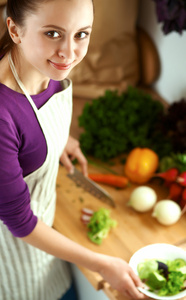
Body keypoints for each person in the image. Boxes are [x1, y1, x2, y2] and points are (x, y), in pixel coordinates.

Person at [0, 0, 147, 299]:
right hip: (14, 255)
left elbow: (34, 123)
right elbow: (20, 222)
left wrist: (57, 141)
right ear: (15, 30)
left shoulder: (45, 65)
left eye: (82, 34)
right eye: (52, 33)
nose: (69, 52)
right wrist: (102, 264)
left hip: (48, 232)